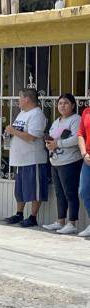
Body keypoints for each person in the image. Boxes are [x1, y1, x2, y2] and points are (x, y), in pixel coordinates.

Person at [3, 88, 49, 228]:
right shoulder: (22, 113)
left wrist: (13, 131)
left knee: (35, 189)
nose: (18, 101)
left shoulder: (37, 115)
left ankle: (33, 217)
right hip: (20, 158)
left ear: (27, 99)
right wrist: (9, 133)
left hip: (33, 158)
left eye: (20, 98)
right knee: (20, 189)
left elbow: (32, 137)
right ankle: (19, 213)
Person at [43, 93, 82, 234]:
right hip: (56, 161)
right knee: (60, 193)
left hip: (70, 162)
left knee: (70, 192)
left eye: (66, 103)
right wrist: (49, 144)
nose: (62, 105)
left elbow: (76, 139)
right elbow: (52, 136)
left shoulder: (76, 119)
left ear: (72, 105)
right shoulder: (56, 121)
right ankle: (60, 221)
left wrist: (57, 143)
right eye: (60, 103)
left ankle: (72, 223)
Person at [77, 97, 90, 237]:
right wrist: (83, 153)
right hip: (87, 159)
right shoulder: (86, 112)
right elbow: (81, 134)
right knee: (84, 191)